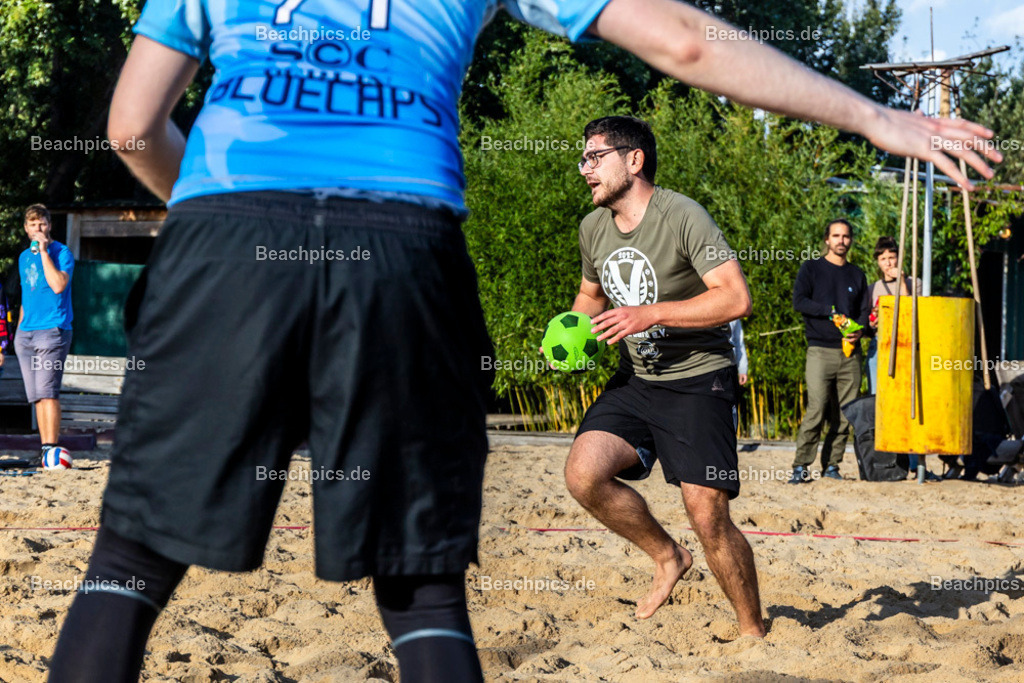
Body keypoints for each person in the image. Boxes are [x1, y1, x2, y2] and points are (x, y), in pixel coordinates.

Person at [49, 0, 1001, 679]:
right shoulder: (594, 223)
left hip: (228, 235)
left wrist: (216, 217)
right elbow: (684, 39)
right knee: (421, 590)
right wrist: (877, 118)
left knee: (129, 560)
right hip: (403, 244)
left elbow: (132, 128)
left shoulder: (674, 214)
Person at [565, 115, 763, 635]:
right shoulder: (592, 227)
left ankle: (753, 632)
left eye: (594, 157)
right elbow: (590, 295)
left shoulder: (683, 215)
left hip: (698, 379)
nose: (584, 168)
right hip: (636, 379)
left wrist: (650, 313)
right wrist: (570, 332)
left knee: (707, 516)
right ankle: (668, 556)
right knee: (583, 474)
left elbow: (735, 298)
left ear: (634, 160)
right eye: (583, 158)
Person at [789, 219, 869, 483]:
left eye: (845, 236)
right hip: (819, 351)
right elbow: (799, 301)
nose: (841, 241)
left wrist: (860, 330)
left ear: (851, 240)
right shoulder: (811, 268)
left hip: (850, 353)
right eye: (836, 236)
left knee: (845, 414)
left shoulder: (857, 274)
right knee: (817, 409)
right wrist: (829, 312)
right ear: (826, 239)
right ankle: (801, 466)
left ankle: (832, 466)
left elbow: (864, 312)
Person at [14, 204, 74, 464]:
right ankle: (45, 449)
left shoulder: (62, 252)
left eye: (42, 223)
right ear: (26, 228)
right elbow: (27, 296)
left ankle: (51, 447)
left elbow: (58, 285)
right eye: (32, 224)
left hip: (52, 330)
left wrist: (45, 252)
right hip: (26, 333)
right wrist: (19, 331)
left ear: (49, 225)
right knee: (37, 395)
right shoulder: (23, 258)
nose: (37, 228)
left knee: (48, 391)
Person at [864, 236, 921, 395]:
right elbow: (868, 323)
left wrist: (901, 281)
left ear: (899, 258)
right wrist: (873, 322)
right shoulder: (872, 289)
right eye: (883, 259)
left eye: (892, 258)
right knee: (876, 392)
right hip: (880, 341)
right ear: (878, 262)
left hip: (906, 342)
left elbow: (910, 311)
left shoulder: (914, 283)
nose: (888, 263)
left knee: (904, 392)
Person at [729, 319, 748, 429]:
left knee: (732, 407)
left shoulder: (734, 312)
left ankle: (732, 435)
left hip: (731, 365)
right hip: (708, 364)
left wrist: (742, 368)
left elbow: (738, 340)